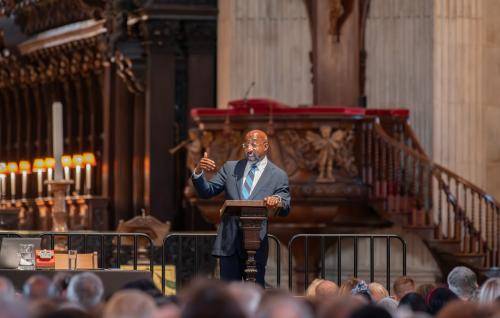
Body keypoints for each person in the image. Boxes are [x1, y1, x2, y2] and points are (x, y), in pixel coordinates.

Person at [191, 129, 291, 286]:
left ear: (265, 146)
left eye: (254, 144)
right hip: (229, 242)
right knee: (229, 296)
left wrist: (276, 200)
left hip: (256, 242)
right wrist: (198, 172)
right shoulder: (230, 168)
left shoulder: (278, 175)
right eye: (246, 145)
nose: (249, 149)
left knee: (255, 291)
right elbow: (207, 191)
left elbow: (285, 204)